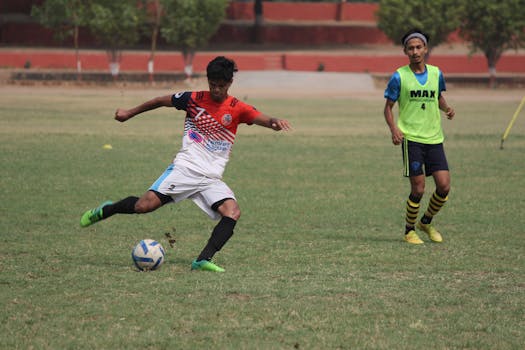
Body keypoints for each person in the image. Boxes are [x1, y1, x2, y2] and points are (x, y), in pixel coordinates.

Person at [80, 56, 292, 271]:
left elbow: (263, 118)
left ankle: (202, 260)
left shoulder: (237, 108)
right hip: (186, 169)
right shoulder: (193, 99)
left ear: (229, 84)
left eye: (221, 86)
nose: (216, 90)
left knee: (232, 212)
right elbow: (160, 101)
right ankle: (107, 210)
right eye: (213, 85)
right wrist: (129, 113)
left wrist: (275, 122)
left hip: (210, 178)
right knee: (142, 207)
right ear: (208, 81)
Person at [383, 29, 455, 244]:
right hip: (411, 139)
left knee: (444, 186)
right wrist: (394, 129)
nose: (415, 51)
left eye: (418, 47)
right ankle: (409, 231)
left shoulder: (436, 73)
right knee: (419, 188)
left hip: (434, 138)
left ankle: (426, 222)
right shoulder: (399, 76)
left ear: (425, 49)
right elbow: (387, 108)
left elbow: (438, 96)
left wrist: (447, 109)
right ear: (405, 51)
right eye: (410, 48)